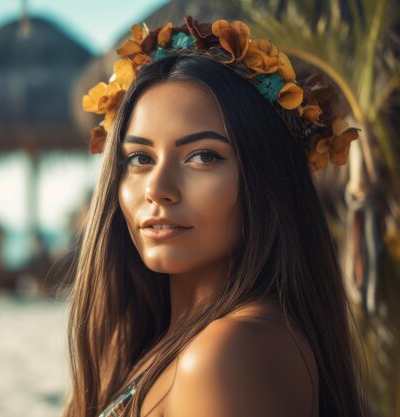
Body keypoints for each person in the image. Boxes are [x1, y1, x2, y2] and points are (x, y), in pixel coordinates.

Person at [65, 16, 369, 417]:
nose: (157, 188)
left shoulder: (226, 352)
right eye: (139, 158)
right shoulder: (175, 339)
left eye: (203, 156)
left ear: (266, 178)